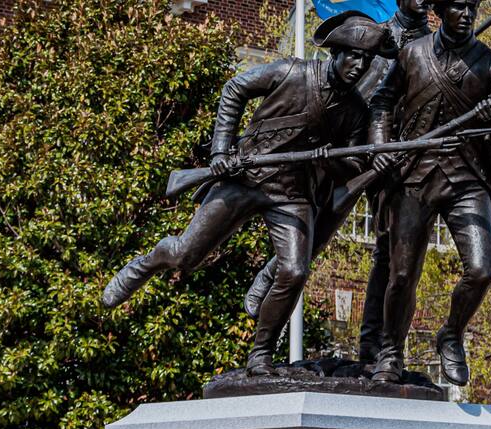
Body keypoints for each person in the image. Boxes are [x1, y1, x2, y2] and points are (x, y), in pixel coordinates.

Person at [100, 11, 394, 376]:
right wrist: (221, 151)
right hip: (245, 179)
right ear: (336, 52)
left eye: (367, 60)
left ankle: (261, 355)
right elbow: (234, 89)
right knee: (185, 255)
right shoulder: (291, 72)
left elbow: (348, 163)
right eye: (354, 55)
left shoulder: (355, 112)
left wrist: (337, 160)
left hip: (292, 194)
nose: (359, 65)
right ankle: (152, 260)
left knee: (294, 270)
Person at [243, 0, 433, 364]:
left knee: (389, 250)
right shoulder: (374, 33)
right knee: (319, 225)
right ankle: (269, 277)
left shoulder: (430, 45)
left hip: (394, 154)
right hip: (348, 144)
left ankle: (372, 348)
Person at [367, 0, 491, 385]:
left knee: (482, 269)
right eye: (457, 5)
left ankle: (451, 334)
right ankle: (390, 352)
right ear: (440, 10)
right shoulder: (412, 54)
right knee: (401, 275)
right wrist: (382, 145)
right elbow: (382, 103)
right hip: (414, 175)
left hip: (468, 178)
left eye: (472, 6)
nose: (467, 13)